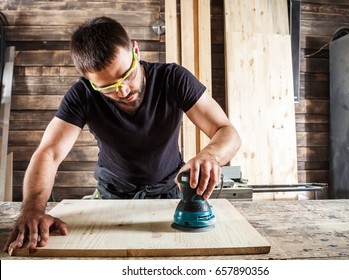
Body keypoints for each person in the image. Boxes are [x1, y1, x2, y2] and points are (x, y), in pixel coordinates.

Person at [4, 16, 241, 253]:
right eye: (107, 87)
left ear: (135, 50)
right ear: (90, 81)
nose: (123, 91)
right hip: (111, 195)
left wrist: (210, 155)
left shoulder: (173, 78)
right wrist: (33, 209)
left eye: (127, 75)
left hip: (169, 192)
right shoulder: (82, 94)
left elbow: (226, 131)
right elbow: (49, 153)